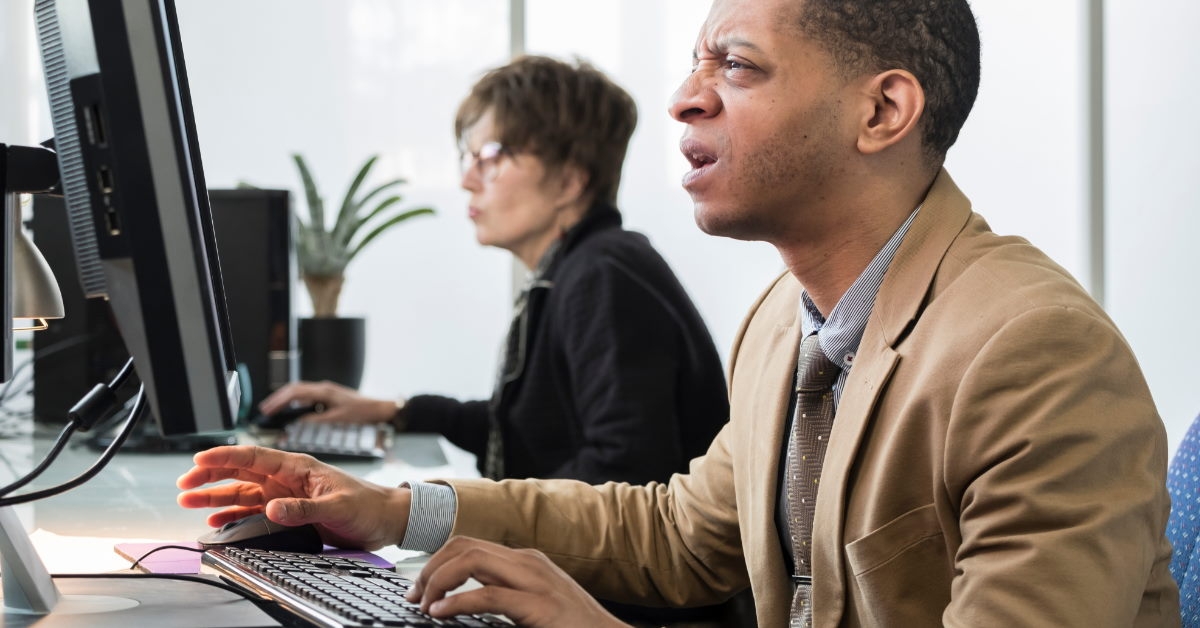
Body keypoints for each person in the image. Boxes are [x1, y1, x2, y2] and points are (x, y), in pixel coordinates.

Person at [179, 0, 1182, 626]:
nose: (682, 100)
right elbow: (669, 529)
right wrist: (394, 513)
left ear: (882, 112)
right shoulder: (782, 327)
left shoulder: (1032, 351)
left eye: (734, 67)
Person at [260, 55, 729, 487]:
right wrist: (393, 411)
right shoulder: (577, 268)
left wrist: (451, 514)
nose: (467, 180)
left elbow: (624, 474)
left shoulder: (602, 277)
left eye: (490, 157)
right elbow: (528, 433)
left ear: (569, 180)